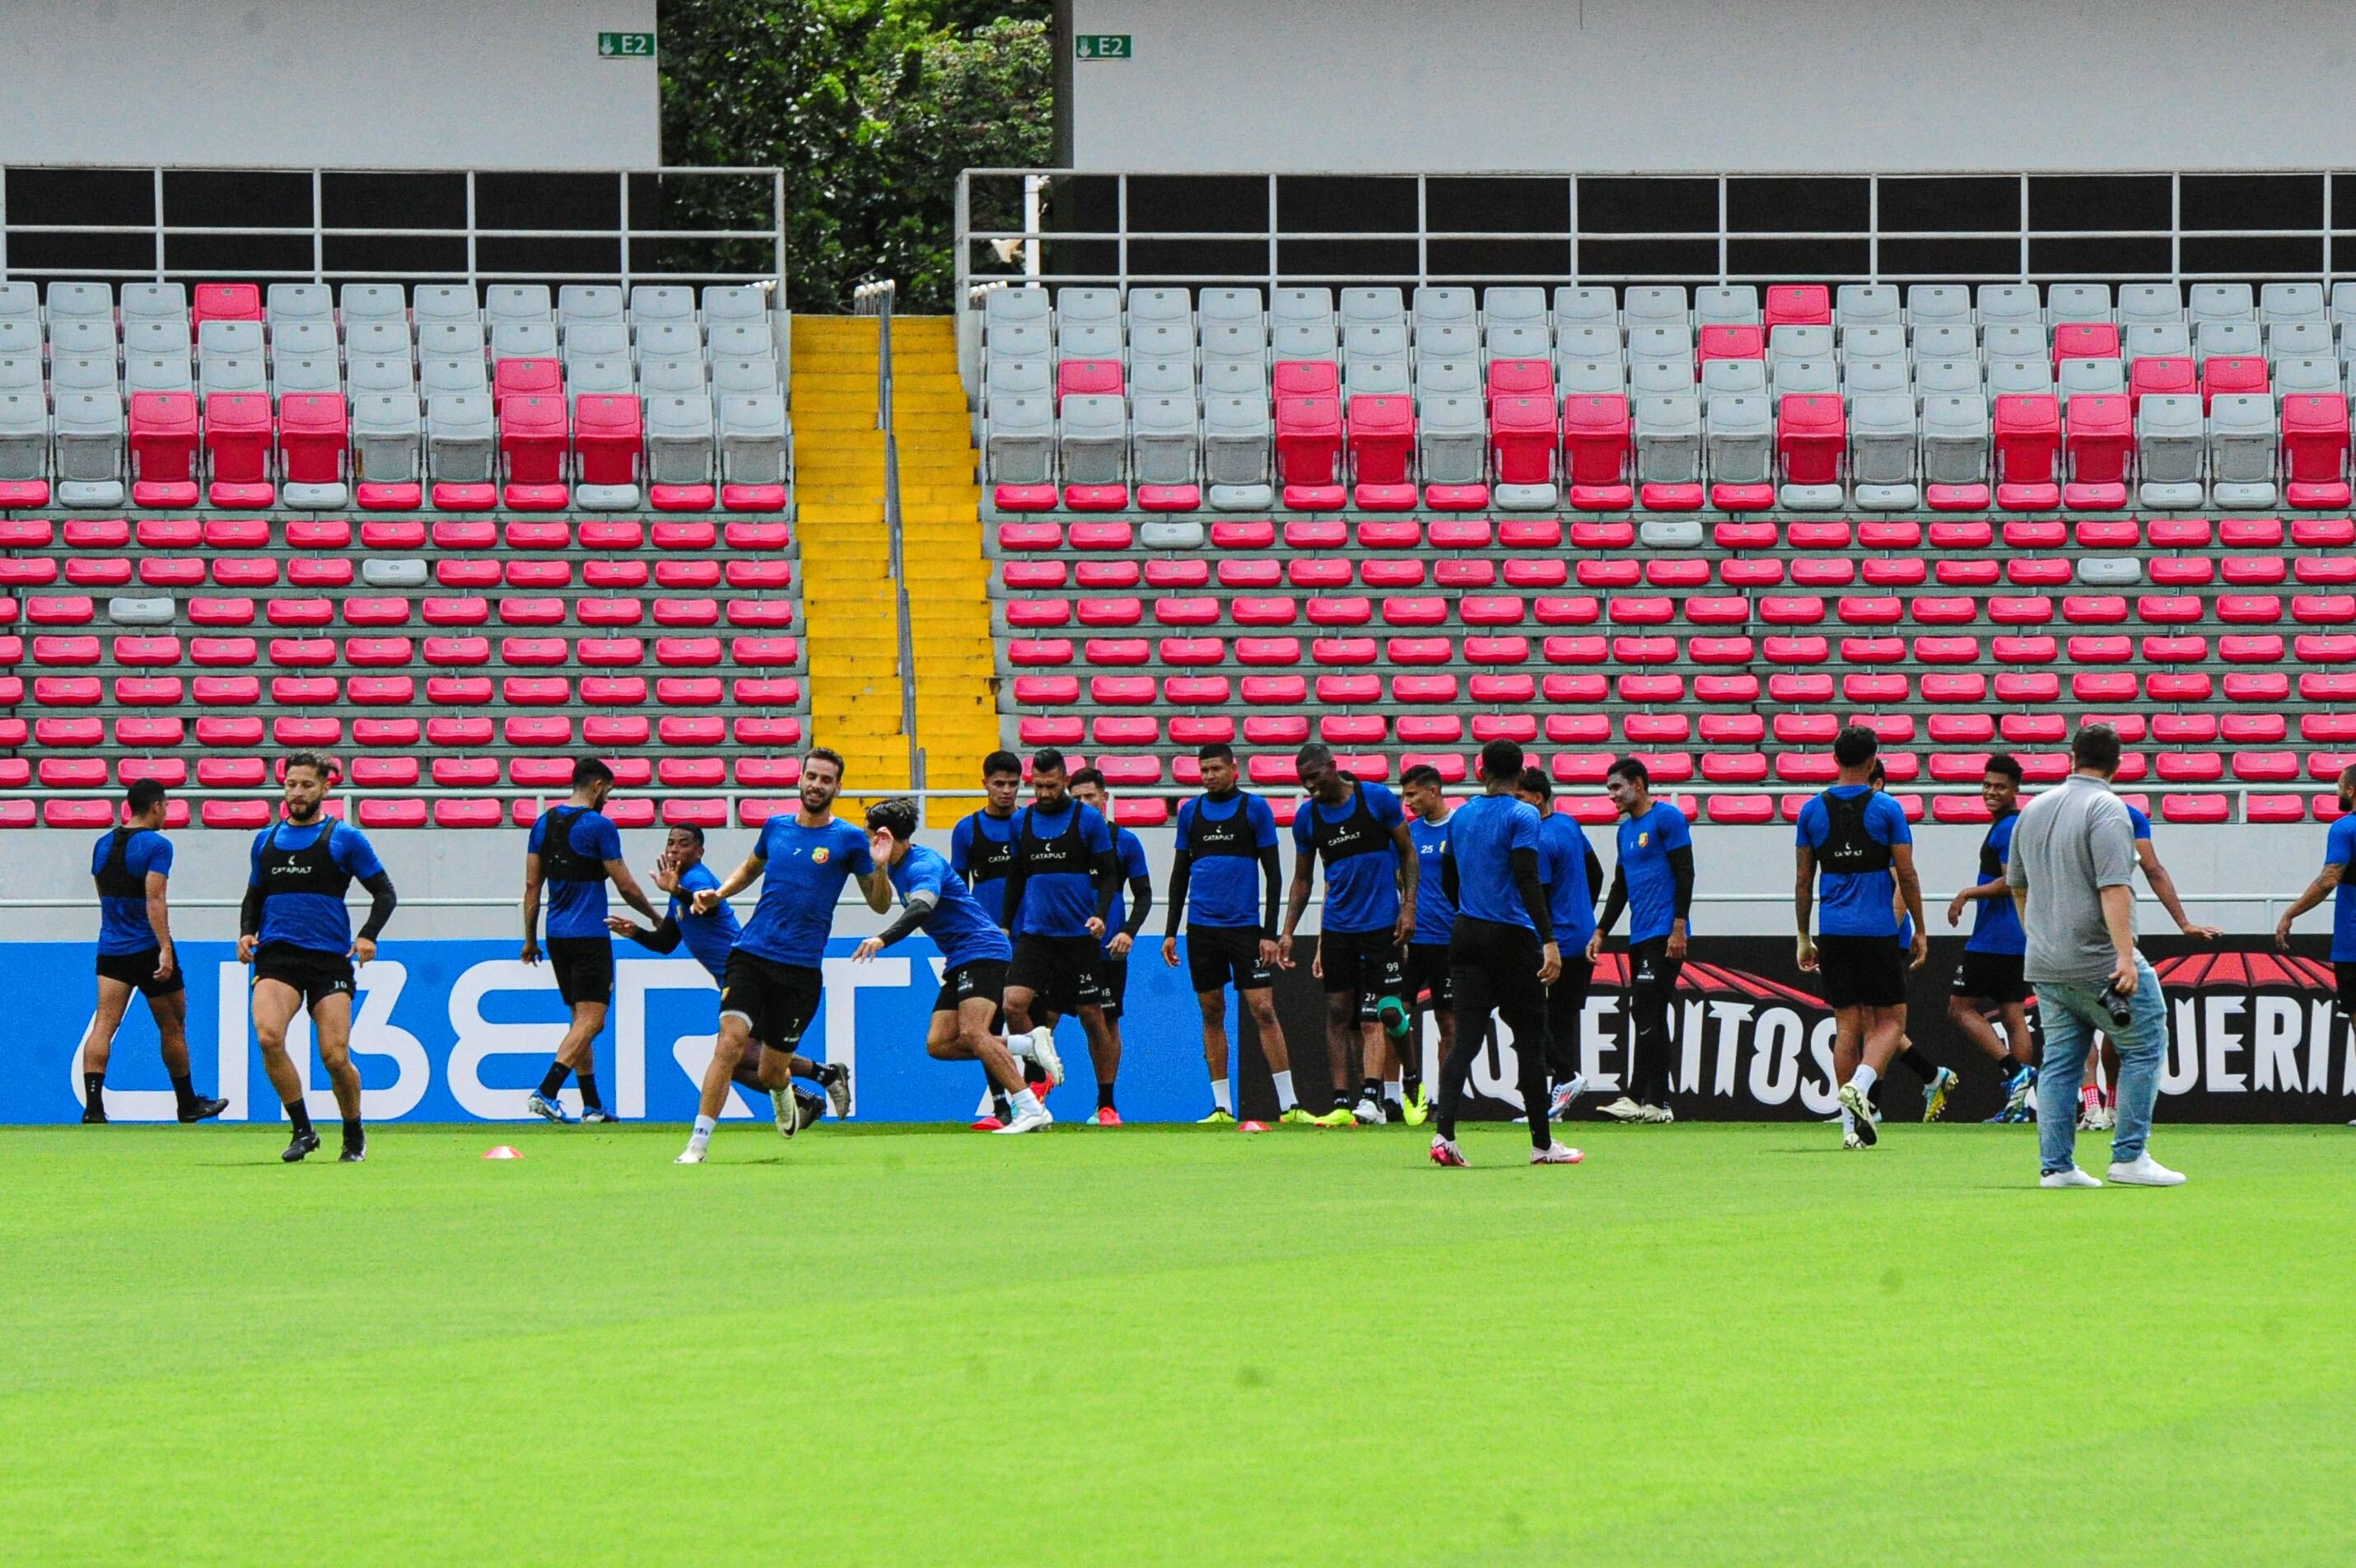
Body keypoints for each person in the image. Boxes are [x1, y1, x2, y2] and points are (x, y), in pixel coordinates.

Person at [674, 749, 892, 1164]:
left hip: (801, 970)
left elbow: (880, 905)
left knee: (772, 1071)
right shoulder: (774, 827)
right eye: (811, 776)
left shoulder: (847, 839)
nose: (816, 785)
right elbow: (749, 867)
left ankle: (783, 1093)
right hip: (751, 954)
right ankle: (697, 1144)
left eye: (826, 780)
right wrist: (717, 893)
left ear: (837, 788)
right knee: (730, 1044)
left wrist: (880, 867)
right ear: (800, 780)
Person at [2005, 723, 2185, 1188]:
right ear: (2118, 763)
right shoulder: (2108, 808)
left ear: (2071, 756)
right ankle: (2129, 1156)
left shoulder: (2035, 808)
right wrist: (2125, 958)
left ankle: (2057, 1166)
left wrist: (2037, 937)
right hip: (2097, 960)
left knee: (2062, 1062)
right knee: (2145, 1043)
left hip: (2046, 962)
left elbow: (2017, 885)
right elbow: (2114, 886)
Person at [605, 825, 836, 1132]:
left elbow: (708, 911)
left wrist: (677, 891)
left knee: (738, 1056)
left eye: (684, 844)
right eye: (670, 843)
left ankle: (819, 1081)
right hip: (733, 978)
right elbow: (666, 942)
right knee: (735, 1064)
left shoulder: (696, 880)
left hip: (750, 974)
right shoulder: (681, 889)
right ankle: (811, 1089)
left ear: (699, 851)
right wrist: (634, 932)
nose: (674, 849)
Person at [852, 797, 1056, 1133]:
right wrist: (877, 867)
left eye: (869, 834)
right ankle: (1026, 1043)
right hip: (960, 956)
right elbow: (880, 904)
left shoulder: (923, 864)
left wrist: (881, 939)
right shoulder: (893, 865)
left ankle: (1030, 1107)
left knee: (976, 1033)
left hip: (982, 949)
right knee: (940, 1043)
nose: (866, 840)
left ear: (884, 835)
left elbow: (921, 909)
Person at [238, 753, 398, 1163]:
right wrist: (246, 932)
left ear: (325, 788)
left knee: (334, 1055)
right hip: (277, 956)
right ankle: (303, 1129)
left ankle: (353, 1131)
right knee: (268, 1036)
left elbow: (385, 892)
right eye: (291, 784)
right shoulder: (267, 840)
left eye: (307, 785)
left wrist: (367, 935)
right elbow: (255, 894)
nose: (297, 792)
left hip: (329, 959)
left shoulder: (344, 838)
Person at [1429, 740, 1574, 1167]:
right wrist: (1548, 939)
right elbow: (1527, 876)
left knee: (1465, 1040)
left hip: (1466, 933)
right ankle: (1543, 1146)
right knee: (1528, 1042)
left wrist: (1468, 910)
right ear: (1523, 773)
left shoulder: (1462, 815)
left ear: (1481, 770)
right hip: (1512, 936)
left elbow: (1449, 877)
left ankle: (1444, 1137)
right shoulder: (1523, 813)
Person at [1794, 726, 1929, 1150]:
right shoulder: (1887, 808)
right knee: (1891, 1022)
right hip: (1878, 932)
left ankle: (1850, 1130)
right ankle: (1862, 1085)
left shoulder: (1812, 811)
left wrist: (1802, 936)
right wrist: (1921, 928)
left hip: (1832, 931)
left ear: (1835, 760)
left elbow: (1802, 881)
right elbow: (1906, 873)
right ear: (1873, 762)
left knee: (1846, 1026)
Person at [1164, 743, 1309, 1124]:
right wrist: (1170, 932)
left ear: (1234, 769)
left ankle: (1289, 1106)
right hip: (1202, 930)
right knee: (1212, 1012)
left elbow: (1274, 875)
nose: (1210, 776)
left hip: (1246, 931)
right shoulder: (1190, 812)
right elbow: (1180, 876)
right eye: (1204, 770)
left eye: (1216, 768)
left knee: (1263, 1009)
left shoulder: (1254, 809)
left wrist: (1268, 932)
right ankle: (1222, 1107)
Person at [1281, 743, 1416, 1126]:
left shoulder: (1375, 800)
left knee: (1376, 1014)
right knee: (1339, 1013)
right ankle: (1342, 1101)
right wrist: (1288, 931)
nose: (1310, 786)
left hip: (1381, 925)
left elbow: (1408, 854)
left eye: (1314, 777)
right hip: (1339, 926)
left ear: (1333, 768)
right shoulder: (1307, 819)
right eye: (1303, 781)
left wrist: (1409, 908)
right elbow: (1303, 879)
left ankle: (1373, 1098)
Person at [520, 758, 659, 1125]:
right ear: (598, 786)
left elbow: (533, 887)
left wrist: (530, 939)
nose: (608, 799)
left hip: (556, 935)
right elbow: (625, 885)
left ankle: (592, 1106)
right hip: (589, 934)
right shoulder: (599, 826)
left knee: (579, 1021)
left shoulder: (542, 823)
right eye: (609, 792)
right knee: (594, 1021)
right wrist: (655, 918)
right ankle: (546, 1092)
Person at [82, 779, 226, 1125]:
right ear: (157, 806)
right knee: (173, 1024)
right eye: (166, 806)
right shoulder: (157, 845)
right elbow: (155, 898)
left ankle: (94, 1108)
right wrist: (164, 948)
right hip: (146, 948)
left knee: (104, 1024)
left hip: (111, 948)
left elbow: (104, 894)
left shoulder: (102, 844)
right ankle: (187, 1104)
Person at [2076, 801, 2222, 1129]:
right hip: (2117, 937)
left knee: (2079, 1027)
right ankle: (2110, 1110)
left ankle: (2092, 1111)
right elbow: (2153, 869)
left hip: (2069, 940)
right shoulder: (2128, 815)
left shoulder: (2054, 811)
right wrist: (2183, 923)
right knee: (2120, 1025)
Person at [996, 749, 1122, 1101]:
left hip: (1078, 937)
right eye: (1037, 786)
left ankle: (1106, 1101)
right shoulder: (1021, 822)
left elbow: (1109, 874)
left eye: (1051, 786)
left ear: (1065, 781)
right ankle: (1037, 1077)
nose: (1044, 793)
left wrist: (1100, 913)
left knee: (1091, 1017)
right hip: (1036, 935)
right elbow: (1016, 877)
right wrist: (1005, 924)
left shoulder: (1088, 820)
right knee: (1013, 1004)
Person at [1588, 758, 1691, 1123]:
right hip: (1641, 932)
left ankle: (1634, 1096)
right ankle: (1659, 1104)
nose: (1611, 796)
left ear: (1638, 784)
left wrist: (1679, 926)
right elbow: (1620, 885)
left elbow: (1685, 872)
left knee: (1644, 1009)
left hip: (1665, 932)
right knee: (1654, 1015)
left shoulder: (1667, 819)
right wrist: (1601, 929)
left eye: (1617, 788)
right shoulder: (1624, 831)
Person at [954, 751, 1051, 1127]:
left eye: (1013, 784)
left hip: (1032, 937)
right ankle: (1001, 1108)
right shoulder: (968, 830)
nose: (1007, 791)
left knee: (1033, 1018)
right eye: (999, 784)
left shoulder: (1030, 825)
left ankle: (1032, 1101)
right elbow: (959, 891)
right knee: (986, 1027)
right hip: (986, 943)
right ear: (985, 784)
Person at [1943, 754, 2039, 1122]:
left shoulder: (2007, 829)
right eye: (1986, 785)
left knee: (1960, 1008)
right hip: (2017, 937)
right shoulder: (2011, 825)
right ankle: (2017, 1107)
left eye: (1999, 786)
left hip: (1994, 938)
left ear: (2016, 790)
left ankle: (2014, 1072)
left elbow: (2012, 881)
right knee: (2014, 1014)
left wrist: (1966, 893)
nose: (1991, 792)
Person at [1512, 768, 1604, 1121]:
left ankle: (1561, 1090)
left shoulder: (1536, 838)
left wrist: (1547, 932)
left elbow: (1540, 894)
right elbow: (1595, 873)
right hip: (1580, 933)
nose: (1516, 805)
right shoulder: (1569, 824)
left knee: (1533, 1019)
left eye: (1520, 798)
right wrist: (1582, 910)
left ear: (1537, 798)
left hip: (1555, 941)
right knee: (1562, 1019)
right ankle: (1560, 1099)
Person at [1067, 767, 1152, 1125]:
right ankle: (1031, 1096)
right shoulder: (1060, 842)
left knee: (1105, 1021)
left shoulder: (1126, 842)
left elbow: (1144, 894)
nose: (1085, 804)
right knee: (1043, 1018)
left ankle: (1106, 1104)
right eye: (1077, 799)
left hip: (1107, 952)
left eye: (1090, 797)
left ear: (1104, 798)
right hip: (1061, 947)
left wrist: (1128, 931)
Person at [2274, 765, 2356, 1113]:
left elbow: (2329, 878)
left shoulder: (2345, 828)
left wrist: (2291, 912)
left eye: (2339, 786)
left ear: (2351, 790)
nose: (2337, 792)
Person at [1396, 763, 1455, 1124]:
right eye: (1405, 795)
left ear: (1433, 791)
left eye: (1413, 794)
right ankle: (1401, 1092)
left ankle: (1443, 1101)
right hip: (1410, 941)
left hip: (1448, 940)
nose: (1408, 802)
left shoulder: (1459, 829)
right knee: (1394, 1015)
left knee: (1448, 1023)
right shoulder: (1408, 834)